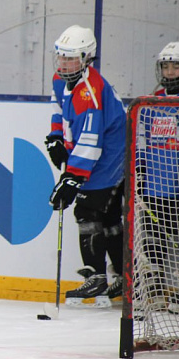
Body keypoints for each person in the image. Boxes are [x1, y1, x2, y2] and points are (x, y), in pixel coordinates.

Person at [44, 25, 125, 308]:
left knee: (87, 210)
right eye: (61, 57)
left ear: (87, 58)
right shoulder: (60, 79)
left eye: (71, 59)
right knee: (111, 217)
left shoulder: (90, 90)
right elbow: (58, 109)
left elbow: (91, 141)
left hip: (111, 156)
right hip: (99, 152)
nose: (65, 64)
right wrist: (56, 137)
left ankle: (97, 276)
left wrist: (72, 179)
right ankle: (124, 275)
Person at [136, 41, 179, 313]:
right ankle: (154, 290)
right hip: (155, 184)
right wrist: (140, 171)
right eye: (165, 66)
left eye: (175, 66)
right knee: (152, 239)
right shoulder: (152, 100)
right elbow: (140, 138)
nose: (169, 71)